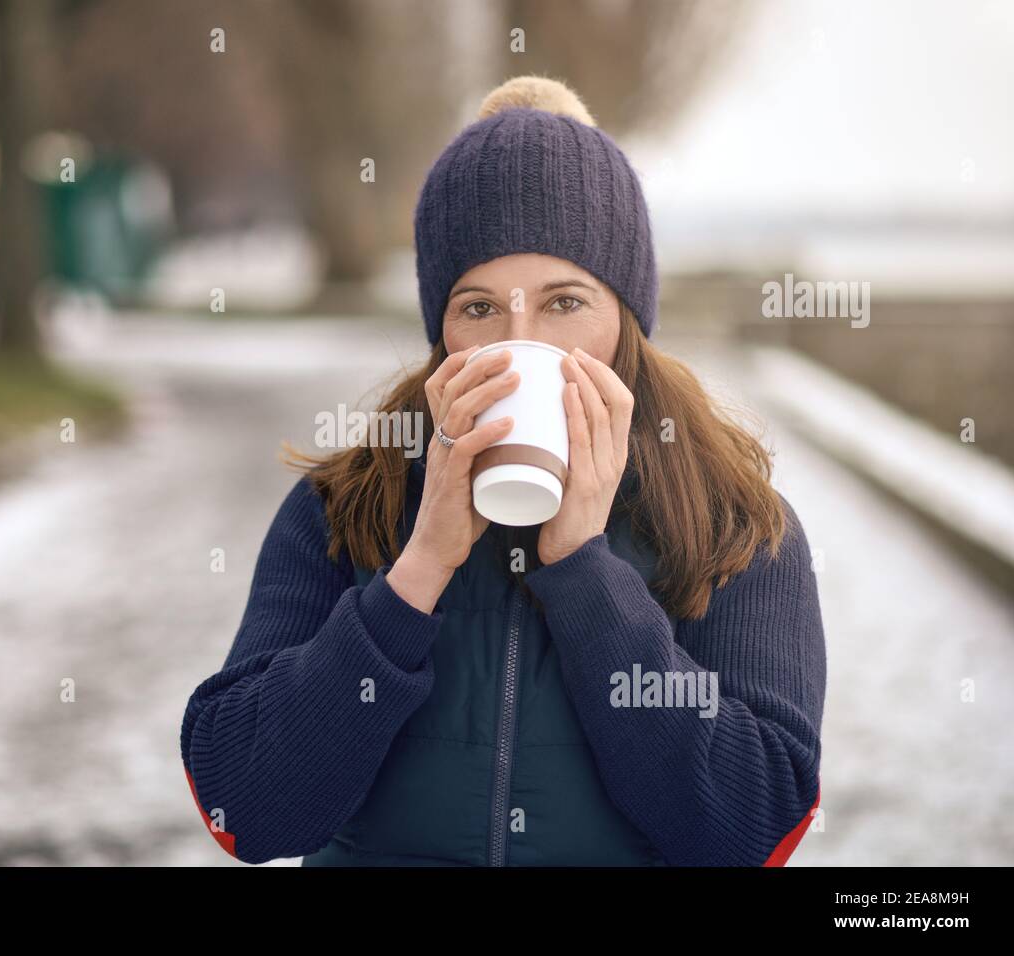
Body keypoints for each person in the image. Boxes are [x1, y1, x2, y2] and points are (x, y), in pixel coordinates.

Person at [179, 76, 825, 866]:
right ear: (441, 332)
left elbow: (752, 832)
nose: (524, 344)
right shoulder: (345, 508)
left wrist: (588, 575)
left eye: (565, 302)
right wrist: (415, 575)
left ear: (627, 319)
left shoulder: (733, 525)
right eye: (479, 308)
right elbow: (244, 809)